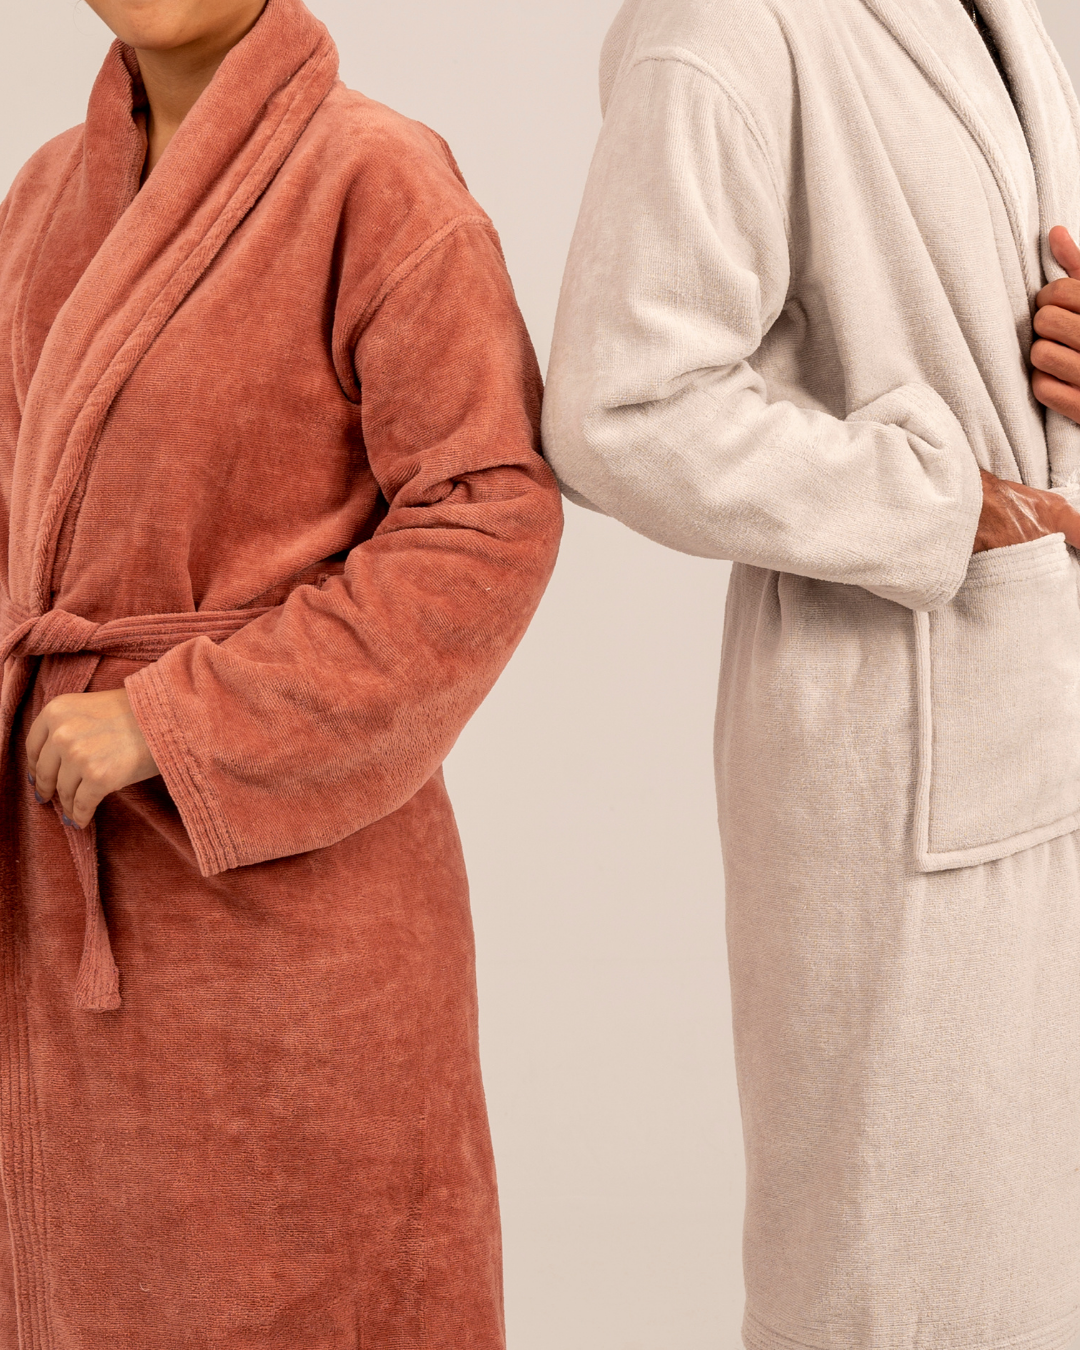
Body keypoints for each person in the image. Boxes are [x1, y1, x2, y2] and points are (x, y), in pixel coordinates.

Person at [0, 0, 562, 1343]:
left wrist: (178, 720)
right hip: (65, 898)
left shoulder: (378, 181)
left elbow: (486, 521)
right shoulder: (40, 200)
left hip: (293, 908)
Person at [543, 0, 1080, 1345]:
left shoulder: (1009, 18)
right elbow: (619, 404)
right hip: (896, 750)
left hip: (1045, 710)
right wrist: (936, 507)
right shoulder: (728, 28)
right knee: (896, 1282)